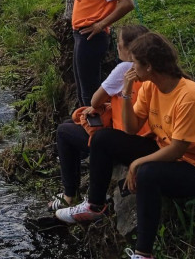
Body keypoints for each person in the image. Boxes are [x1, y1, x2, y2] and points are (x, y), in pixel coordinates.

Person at [54, 33, 195, 259]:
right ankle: (95, 205)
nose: (130, 67)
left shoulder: (189, 96)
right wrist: (126, 93)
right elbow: (130, 127)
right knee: (102, 138)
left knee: (147, 172)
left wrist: (137, 164)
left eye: (135, 63)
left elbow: (178, 149)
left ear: (149, 66)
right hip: (164, 149)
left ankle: (144, 257)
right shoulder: (149, 87)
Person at [49, 24, 150, 211]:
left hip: (125, 139)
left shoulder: (124, 70)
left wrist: (100, 105)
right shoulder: (152, 69)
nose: (117, 46)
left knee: (63, 131)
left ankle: (70, 195)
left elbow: (95, 100)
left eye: (119, 44)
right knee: (70, 124)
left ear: (128, 49)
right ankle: (74, 188)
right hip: (148, 137)